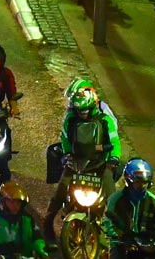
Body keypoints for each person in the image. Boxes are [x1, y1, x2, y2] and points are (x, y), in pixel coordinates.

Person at [45, 78, 125, 237]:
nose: (82, 114)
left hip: (99, 164)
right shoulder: (70, 118)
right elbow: (65, 138)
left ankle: (117, 230)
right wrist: (67, 155)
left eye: (85, 111)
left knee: (112, 196)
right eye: (79, 111)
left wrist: (113, 159)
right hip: (76, 162)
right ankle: (48, 221)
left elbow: (114, 141)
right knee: (61, 189)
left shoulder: (105, 120)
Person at [104, 159, 155, 259]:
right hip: (122, 244)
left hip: (146, 246)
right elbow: (108, 222)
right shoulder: (115, 199)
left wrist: (153, 240)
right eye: (137, 182)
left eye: (145, 182)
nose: (141, 186)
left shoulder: (154, 202)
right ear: (128, 181)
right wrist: (119, 236)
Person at [0, 182, 47, 258]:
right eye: (12, 202)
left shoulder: (27, 219)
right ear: (3, 201)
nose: (15, 206)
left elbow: (37, 237)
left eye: (18, 202)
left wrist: (41, 251)